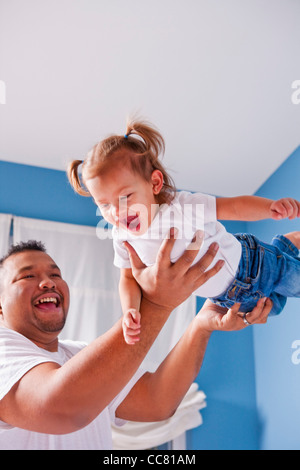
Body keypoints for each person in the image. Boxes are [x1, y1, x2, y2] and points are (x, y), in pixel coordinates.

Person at [0, 236, 271, 450]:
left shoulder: (78, 355)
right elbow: (61, 408)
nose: (48, 283)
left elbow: (157, 401)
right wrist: (158, 302)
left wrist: (200, 325)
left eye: (55, 274)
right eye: (28, 276)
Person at [68, 119, 300, 344]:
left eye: (125, 197)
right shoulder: (122, 237)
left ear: (155, 183)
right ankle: (284, 246)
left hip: (253, 264)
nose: (117, 212)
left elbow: (232, 207)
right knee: (275, 306)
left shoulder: (180, 207)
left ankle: (280, 252)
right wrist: (130, 310)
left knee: (294, 283)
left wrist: (270, 208)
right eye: (105, 205)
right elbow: (127, 278)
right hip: (228, 298)